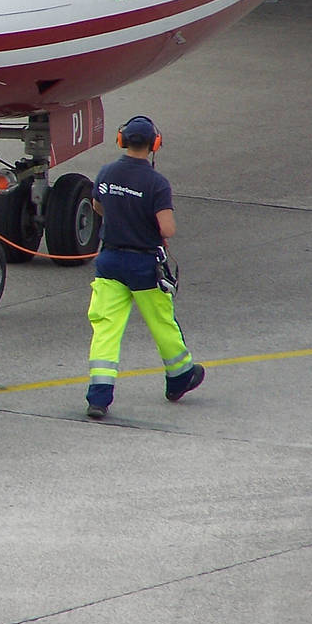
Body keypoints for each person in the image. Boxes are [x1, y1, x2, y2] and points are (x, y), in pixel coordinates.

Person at [85, 115, 204, 419]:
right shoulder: (156, 182)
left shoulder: (106, 172)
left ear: (121, 140)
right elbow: (167, 228)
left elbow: (98, 206)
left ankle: (98, 397)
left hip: (109, 261)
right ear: (155, 145)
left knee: (106, 330)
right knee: (162, 323)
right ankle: (179, 377)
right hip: (143, 265)